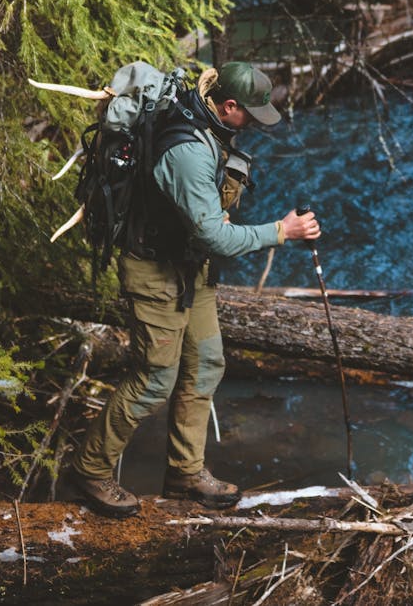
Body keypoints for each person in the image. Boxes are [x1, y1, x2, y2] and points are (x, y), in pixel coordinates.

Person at [69, 61, 320, 518]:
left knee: (205, 363)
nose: (255, 124)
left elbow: (201, 228)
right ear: (228, 105)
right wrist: (281, 232)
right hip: (154, 273)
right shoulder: (188, 151)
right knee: (154, 378)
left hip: (190, 269)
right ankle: (90, 470)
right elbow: (216, 238)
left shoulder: (208, 120)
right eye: (251, 113)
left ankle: (186, 473)